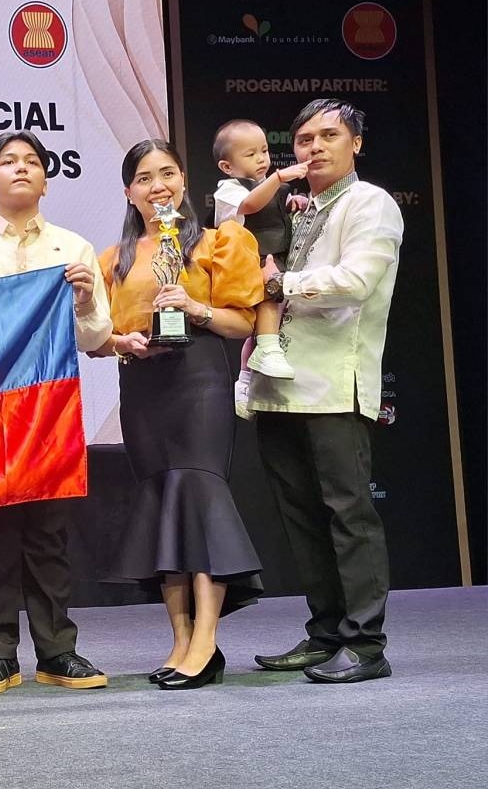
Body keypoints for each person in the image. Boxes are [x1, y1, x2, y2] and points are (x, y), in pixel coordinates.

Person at [0, 130, 113, 696]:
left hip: (51, 413)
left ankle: (59, 650)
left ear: (45, 180)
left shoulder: (74, 248)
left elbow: (95, 338)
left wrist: (85, 302)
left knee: (48, 537)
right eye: (8, 162)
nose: (21, 168)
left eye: (32, 162)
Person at [95, 139, 264, 690]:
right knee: (162, 500)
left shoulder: (220, 242)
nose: (157, 185)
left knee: (198, 496)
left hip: (199, 381)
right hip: (143, 387)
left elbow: (243, 321)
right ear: (129, 193)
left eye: (166, 173)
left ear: (184, 181)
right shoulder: (112, 259)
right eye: (144, 178)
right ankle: (179, 639)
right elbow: (97, 340)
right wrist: (125, 342)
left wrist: (194, 307)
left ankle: (207, 640)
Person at [250, 99, 402, 684]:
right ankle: (325, 632)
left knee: (348, 514)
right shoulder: (304, 207)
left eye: (328, 136)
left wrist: (281, 281)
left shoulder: (371, 203)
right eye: (304, 138)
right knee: (303, 519)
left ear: (355, 144)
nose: (313, 147)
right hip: (282, 387)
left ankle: (366, 644)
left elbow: (357, 281)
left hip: (335, 386)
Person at [211, 119, 309, 380]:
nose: (261, 159)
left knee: (272, 317)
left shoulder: (271, 185)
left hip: (274, 255)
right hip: (248, 261)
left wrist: (293, 202)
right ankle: (266, 351)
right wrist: (278, 178)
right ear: (227, 167)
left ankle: (246, 378)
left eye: (264, 151)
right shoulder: (228, 190)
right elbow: (251, 205)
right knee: (270, 296)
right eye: (250, 154)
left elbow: (273, 207)